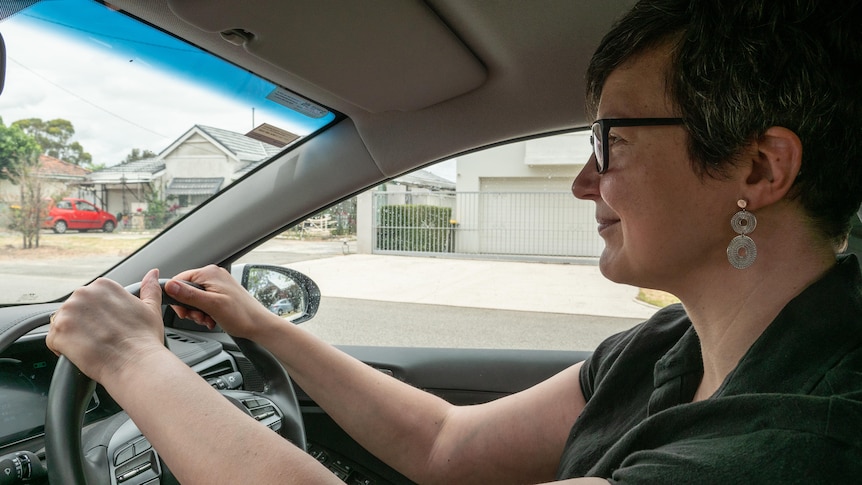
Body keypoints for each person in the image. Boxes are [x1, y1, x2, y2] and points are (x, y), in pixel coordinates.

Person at [46, 0, 862, 483]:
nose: (585, 181)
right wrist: (263, 324)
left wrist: (133, 360)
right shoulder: (670, 347)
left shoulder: (804, 439)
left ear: (759, 167)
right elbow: (446, 442)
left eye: (612, 139)